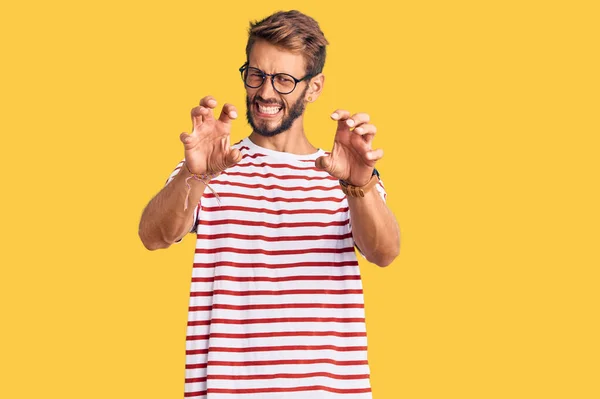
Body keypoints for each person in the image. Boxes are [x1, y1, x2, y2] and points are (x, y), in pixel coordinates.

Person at [139, 9, 400, 399]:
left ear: (313, 88)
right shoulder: (214, 164)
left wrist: (357, 185)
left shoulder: (344, 170)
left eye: (284, 80)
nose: (265, 92)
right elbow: (152, 236)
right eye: (256, 75)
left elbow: (384, 252)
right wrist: (197, 176)